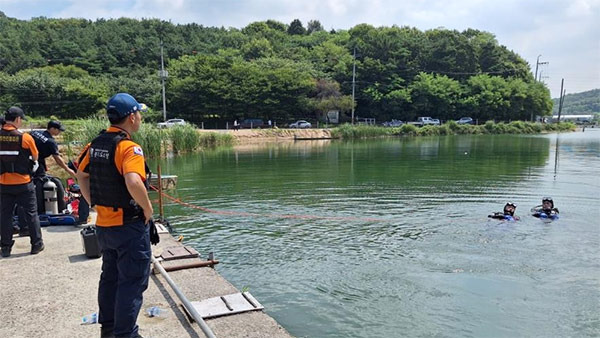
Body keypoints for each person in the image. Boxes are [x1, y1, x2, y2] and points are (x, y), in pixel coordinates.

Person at [76, 93, 153, 338]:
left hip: (104, 226)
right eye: (139, 113)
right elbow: (132, 181)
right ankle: (125, 334)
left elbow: (81, 175)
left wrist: (93, 203)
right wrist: (148, 209)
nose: (140, 118)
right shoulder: (128, 148)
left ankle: (108, 329)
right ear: (131, 117)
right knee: (132, 282)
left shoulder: (95, 144)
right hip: (128, 226)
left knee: (110, 278)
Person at [0, 107, 44, 257]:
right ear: (18, 119)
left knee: (5, 216)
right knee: (31, 214)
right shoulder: (25, 138)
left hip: (3, 184)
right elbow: (35, 157)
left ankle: (5, 247)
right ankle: (36, 245)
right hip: (24, 183)